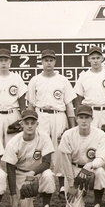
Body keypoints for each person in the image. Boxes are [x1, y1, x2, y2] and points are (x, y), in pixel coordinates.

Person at [27, 49, 77, 198]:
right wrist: (31, 121)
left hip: (58, 115)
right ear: (41, 62)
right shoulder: (35, 80)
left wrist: (72, 126)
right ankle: (40, 182)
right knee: (40, 148)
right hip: (41, 115)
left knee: (60, 149)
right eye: (45, 60)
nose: (48, 63)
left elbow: (69, 105)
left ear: (55, 62)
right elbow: (30, 105)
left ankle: (62, 186)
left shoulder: (62, 80)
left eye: (51, 60)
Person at [74, 45, 105, 168]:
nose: (96, 60)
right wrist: (79, 118)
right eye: (93, 58)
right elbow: (78, 100)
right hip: (89, 113)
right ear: (89, 59)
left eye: (98, 57)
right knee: (89, 142)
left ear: (102, 58)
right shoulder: (84, 76)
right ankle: (89, 170)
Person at [2, 109, 56, 207]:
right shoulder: (13, 143)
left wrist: (33, 172)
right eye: (27, 123)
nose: (30, 126)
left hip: (37, 173)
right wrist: (14, 196)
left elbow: (47, 162)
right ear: (21, 124)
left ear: (37, 124)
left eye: (33, 123)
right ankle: (28, 200)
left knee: (49, 175)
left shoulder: (44, 137)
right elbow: (10, 170)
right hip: (20, 173)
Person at [58, 104, 105, 207]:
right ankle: (80, 194)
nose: (84, 121)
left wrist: (89, 165)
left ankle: (97, 206)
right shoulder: (68, 135)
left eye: (87, 117)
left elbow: (101, 159)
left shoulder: (100, 134)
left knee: (101, 173)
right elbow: (65, 163)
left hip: (91, 168)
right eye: (81, 117)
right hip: (74, 168)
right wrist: (71, 184)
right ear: (76, 119)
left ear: (92, 119)